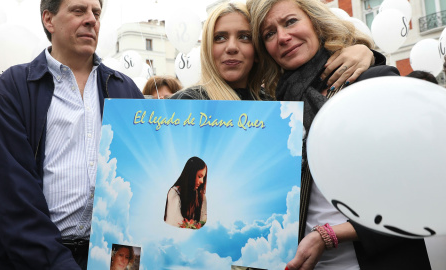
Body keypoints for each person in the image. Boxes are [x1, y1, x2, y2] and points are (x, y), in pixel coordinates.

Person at [248, 0, 431, 269]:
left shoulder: (372, 82)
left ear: (315, 22)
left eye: (290, 22)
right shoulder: (277, 110)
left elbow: (416, 191)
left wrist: (330, 236)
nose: (283, 37)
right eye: (269, 34)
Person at [0, 0, 144, 269]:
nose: (91, 19)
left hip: (105, 258)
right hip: (28, 259)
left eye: (96, 13)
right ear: (49, 20)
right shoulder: (10, 90)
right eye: (79, 10)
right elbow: (15, 199)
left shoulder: (125, 90)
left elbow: (142, 180)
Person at [169, 2, 377, 101]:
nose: (231, 47)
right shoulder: (187, 103)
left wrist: (367, 52)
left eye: (244, 37)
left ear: (258, 51)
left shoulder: (272, 101)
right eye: (219, 37)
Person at [164, 157, 207, 228]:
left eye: (203, 177)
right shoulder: (174, 193)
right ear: (191, 174)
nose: (202, 181)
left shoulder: (201, 195)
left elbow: (203, 220)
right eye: (199, 176)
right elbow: (175, 222)